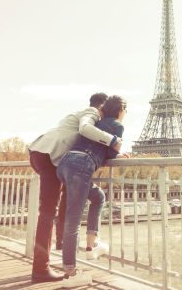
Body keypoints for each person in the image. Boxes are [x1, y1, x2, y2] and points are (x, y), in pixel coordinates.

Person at [28, 93, 122, 283]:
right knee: (47, 212)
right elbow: (85, 128)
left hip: (48, 156)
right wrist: (113, 141)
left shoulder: (77, 114)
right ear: (102, 107)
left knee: (55, 207)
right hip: (49, 155)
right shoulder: (92, 112)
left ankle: (59, 248)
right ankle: (41, 268)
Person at [56, 95, 128, 288]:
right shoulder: (117, 125)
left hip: (65, 163)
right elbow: (112, 153)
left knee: (98, 196)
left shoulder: (98, 122)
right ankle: (70, 272)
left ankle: (91, 245)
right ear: (121, 110)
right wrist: (120, 154)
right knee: (73, 220)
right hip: (81, 165)